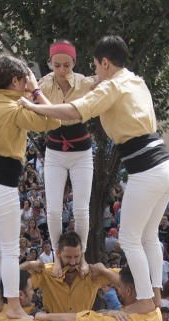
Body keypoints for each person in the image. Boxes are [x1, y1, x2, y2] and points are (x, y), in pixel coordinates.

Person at [22, 35, 169, 308]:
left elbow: (73, 112)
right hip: (165, 164)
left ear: (105, 63)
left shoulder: (111, 87)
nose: (94, 72)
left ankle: (144, 299)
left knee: (130, 240)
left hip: (147, 168)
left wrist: (33, 105)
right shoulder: (135, 80)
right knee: (149, 235)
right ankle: (154, 294)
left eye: (95, 66)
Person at [0, 53, 59, 318]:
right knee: (9, 250)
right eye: (23, 79)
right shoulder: (14, 110)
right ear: (15, 80)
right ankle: (13, 306)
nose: (27, 83)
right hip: (0, 186)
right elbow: (53, 120)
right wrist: (36, 90)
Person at [39, 41, 93, 254]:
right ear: (50, 63)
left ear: (74, 62)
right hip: (54, 153)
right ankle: (57, 254)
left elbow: (111, 81)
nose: (62, 70)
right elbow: (18, 94)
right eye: (57, 65)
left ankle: (82, 255)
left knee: (81, 210)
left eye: (67, 65)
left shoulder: (85, 83)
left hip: (82, 153)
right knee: (52, 211)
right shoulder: (41, 85)